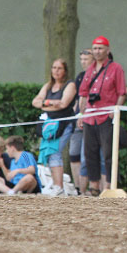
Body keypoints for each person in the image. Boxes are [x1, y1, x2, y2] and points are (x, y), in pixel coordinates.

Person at [77, 36, 127, 194]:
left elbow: (122, 92)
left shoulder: (116, 68)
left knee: (108, 153)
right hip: (90, 116)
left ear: (107, 50)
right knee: (89, 152)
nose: (97, 51)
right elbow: (83, 93)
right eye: (95, 48)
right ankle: (94, 186)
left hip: (107, 115)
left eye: (100, 48)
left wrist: (115, 111)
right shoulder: (90, 69)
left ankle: (109, 185)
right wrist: (81, 114)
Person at [31, 58, 77, 196]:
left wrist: (45, 104)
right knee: (48, 152)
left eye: (59, 68)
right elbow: (35, 101)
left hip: (63, 124)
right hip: (49, 124)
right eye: (54, 67)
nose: (56, 71)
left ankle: (59, 186)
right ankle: (55, 185)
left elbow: (63, 104)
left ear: (65, 71)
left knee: (55, 152)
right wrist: (51, 103)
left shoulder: (70, 85)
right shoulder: (48, 85)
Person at [68, 49, 93, 193]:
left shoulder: (96, 75)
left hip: (90, 120)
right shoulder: (80, 77)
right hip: (78, 119)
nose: (83, 62)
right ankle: (77, 187)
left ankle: (87, 188)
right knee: (74, 154)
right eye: (81, 59)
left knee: (86, 156)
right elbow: (78, 99)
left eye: (86, 59)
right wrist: (76, 114)